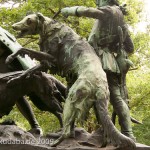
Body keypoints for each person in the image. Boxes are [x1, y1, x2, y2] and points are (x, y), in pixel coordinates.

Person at [61, 0, 135, 141]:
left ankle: (71, 129)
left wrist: (70, 10)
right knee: (115, 97)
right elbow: (130, 47)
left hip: (98, 60)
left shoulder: (110, 10)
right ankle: (125, 133)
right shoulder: (121, 20)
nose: (97, 2)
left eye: (99, 0)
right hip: (111, 62)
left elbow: (89, 12)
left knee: (100, 95)